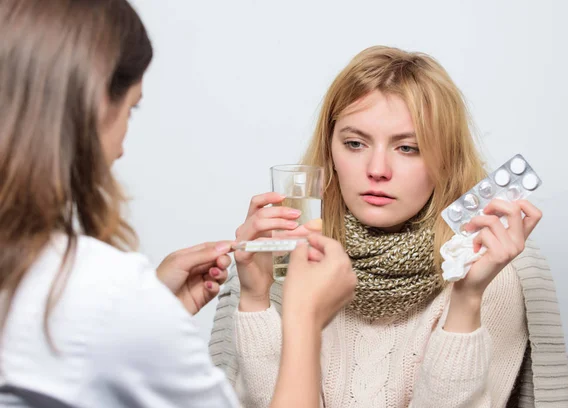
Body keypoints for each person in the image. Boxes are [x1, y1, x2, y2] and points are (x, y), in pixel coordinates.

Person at [0, 1, 356, 407]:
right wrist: (304, 321)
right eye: (131, 109)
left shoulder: (52, 279)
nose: (121, 148)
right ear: (94, 104)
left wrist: (152, 309)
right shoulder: (102, 292)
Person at [210, 46, 568, 407]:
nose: (377, 169)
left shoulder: (490, 270)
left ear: (445, 159)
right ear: (330, 152)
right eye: (355, 143)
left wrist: (467, 299)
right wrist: (255, 300)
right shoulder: (283, 258)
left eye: (408, 148)